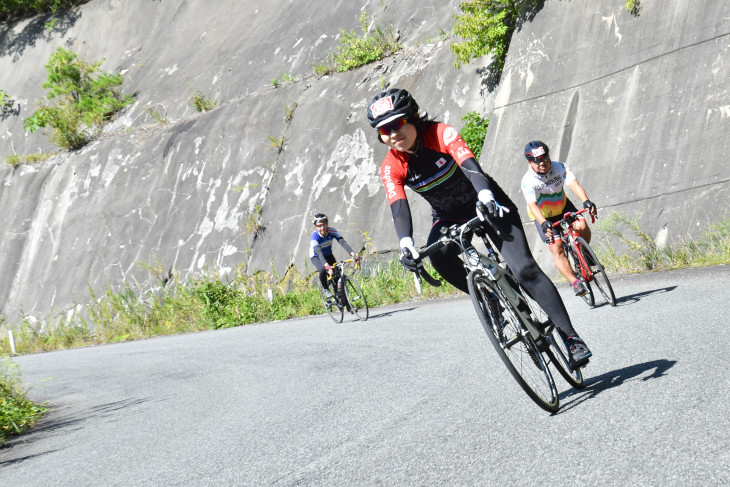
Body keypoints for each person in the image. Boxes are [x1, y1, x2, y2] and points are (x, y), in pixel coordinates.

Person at [367, 88, 592, 369]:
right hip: (448, 216)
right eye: (384, 130)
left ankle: (571, 339)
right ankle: (490, 294)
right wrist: (405, 242)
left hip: (486, 200)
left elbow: (470, 166)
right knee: (437, 256)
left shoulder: (440, 133)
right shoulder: (391, 165)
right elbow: (398, 205)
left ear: (412, 118)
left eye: (397, 123)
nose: (392, 134)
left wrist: (485, 194)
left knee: (525, 271)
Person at [520, 140, 598, 296]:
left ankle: (583, 252)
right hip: (543, 216)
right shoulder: (528, 181)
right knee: (557, 247)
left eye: (545, 158)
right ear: (530, 162)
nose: (542, 163)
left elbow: (574, 184)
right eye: (537, 161)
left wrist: (586, 200)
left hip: (562, 207)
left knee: (581, 225)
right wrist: (543, 223)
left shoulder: (559, 167)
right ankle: (575, 282)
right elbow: (533, 206)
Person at [309, 212, 358, 297]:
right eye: (319, 226)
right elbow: (318, 252)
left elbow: (342, 242)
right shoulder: (314, 237)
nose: (322, 228)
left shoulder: (332, 231)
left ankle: (342, 300)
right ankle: (325, 288)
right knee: (323, 270)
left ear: (327, 224)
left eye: (324, 224)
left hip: (328, 255)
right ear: (316, 227)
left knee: (338, 275)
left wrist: (353, 254)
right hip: (316, 256)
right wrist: (326, 265)